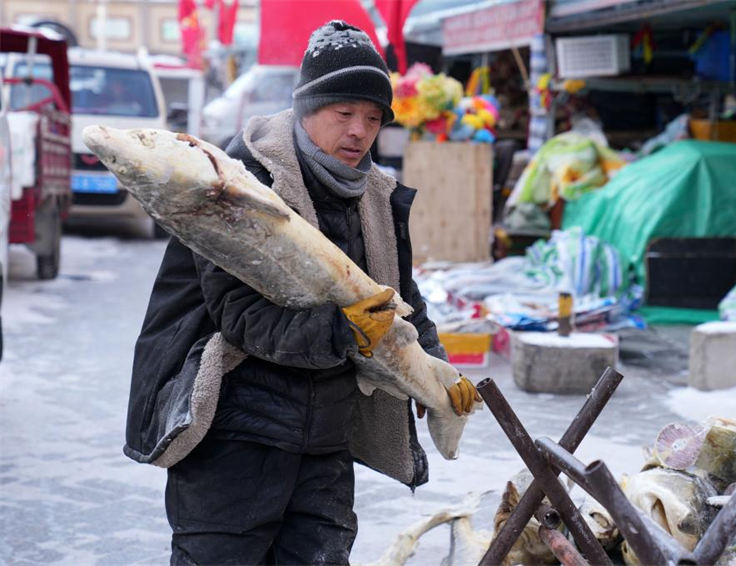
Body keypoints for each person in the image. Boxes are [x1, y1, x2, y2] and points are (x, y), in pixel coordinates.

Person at [123, 20, 479, 565]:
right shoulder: (235, 185)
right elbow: (241, 318)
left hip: (325, 440)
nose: (359, 132)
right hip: (236, 433)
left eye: (373, 118)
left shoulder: (374, 199)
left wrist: (438, 371)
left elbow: (401, 300)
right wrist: (343, 330)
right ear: (307, 107)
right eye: (344, 114)